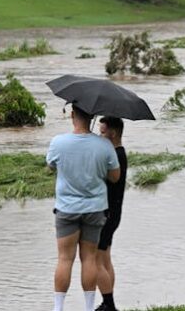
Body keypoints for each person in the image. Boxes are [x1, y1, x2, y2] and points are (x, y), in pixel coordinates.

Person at [47, 104, 121, 311]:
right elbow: (115, 177)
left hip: (66, 209)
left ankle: (58, 308)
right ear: (92, 118)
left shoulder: (58, 142)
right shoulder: (103, 145)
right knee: (89, 258)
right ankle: (88, 308)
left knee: (64, 258)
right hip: (95, 209)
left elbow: (50, 166)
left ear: (72, 115)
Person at [95, 117, 128, 311]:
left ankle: (109, 304)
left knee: (96, 259)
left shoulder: (115, 156)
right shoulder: (118, 153)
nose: (100, 136)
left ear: (113, 133)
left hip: (107, 213)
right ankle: (108, 301)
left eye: (102, 132)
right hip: (113, 213)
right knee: (105, 258)